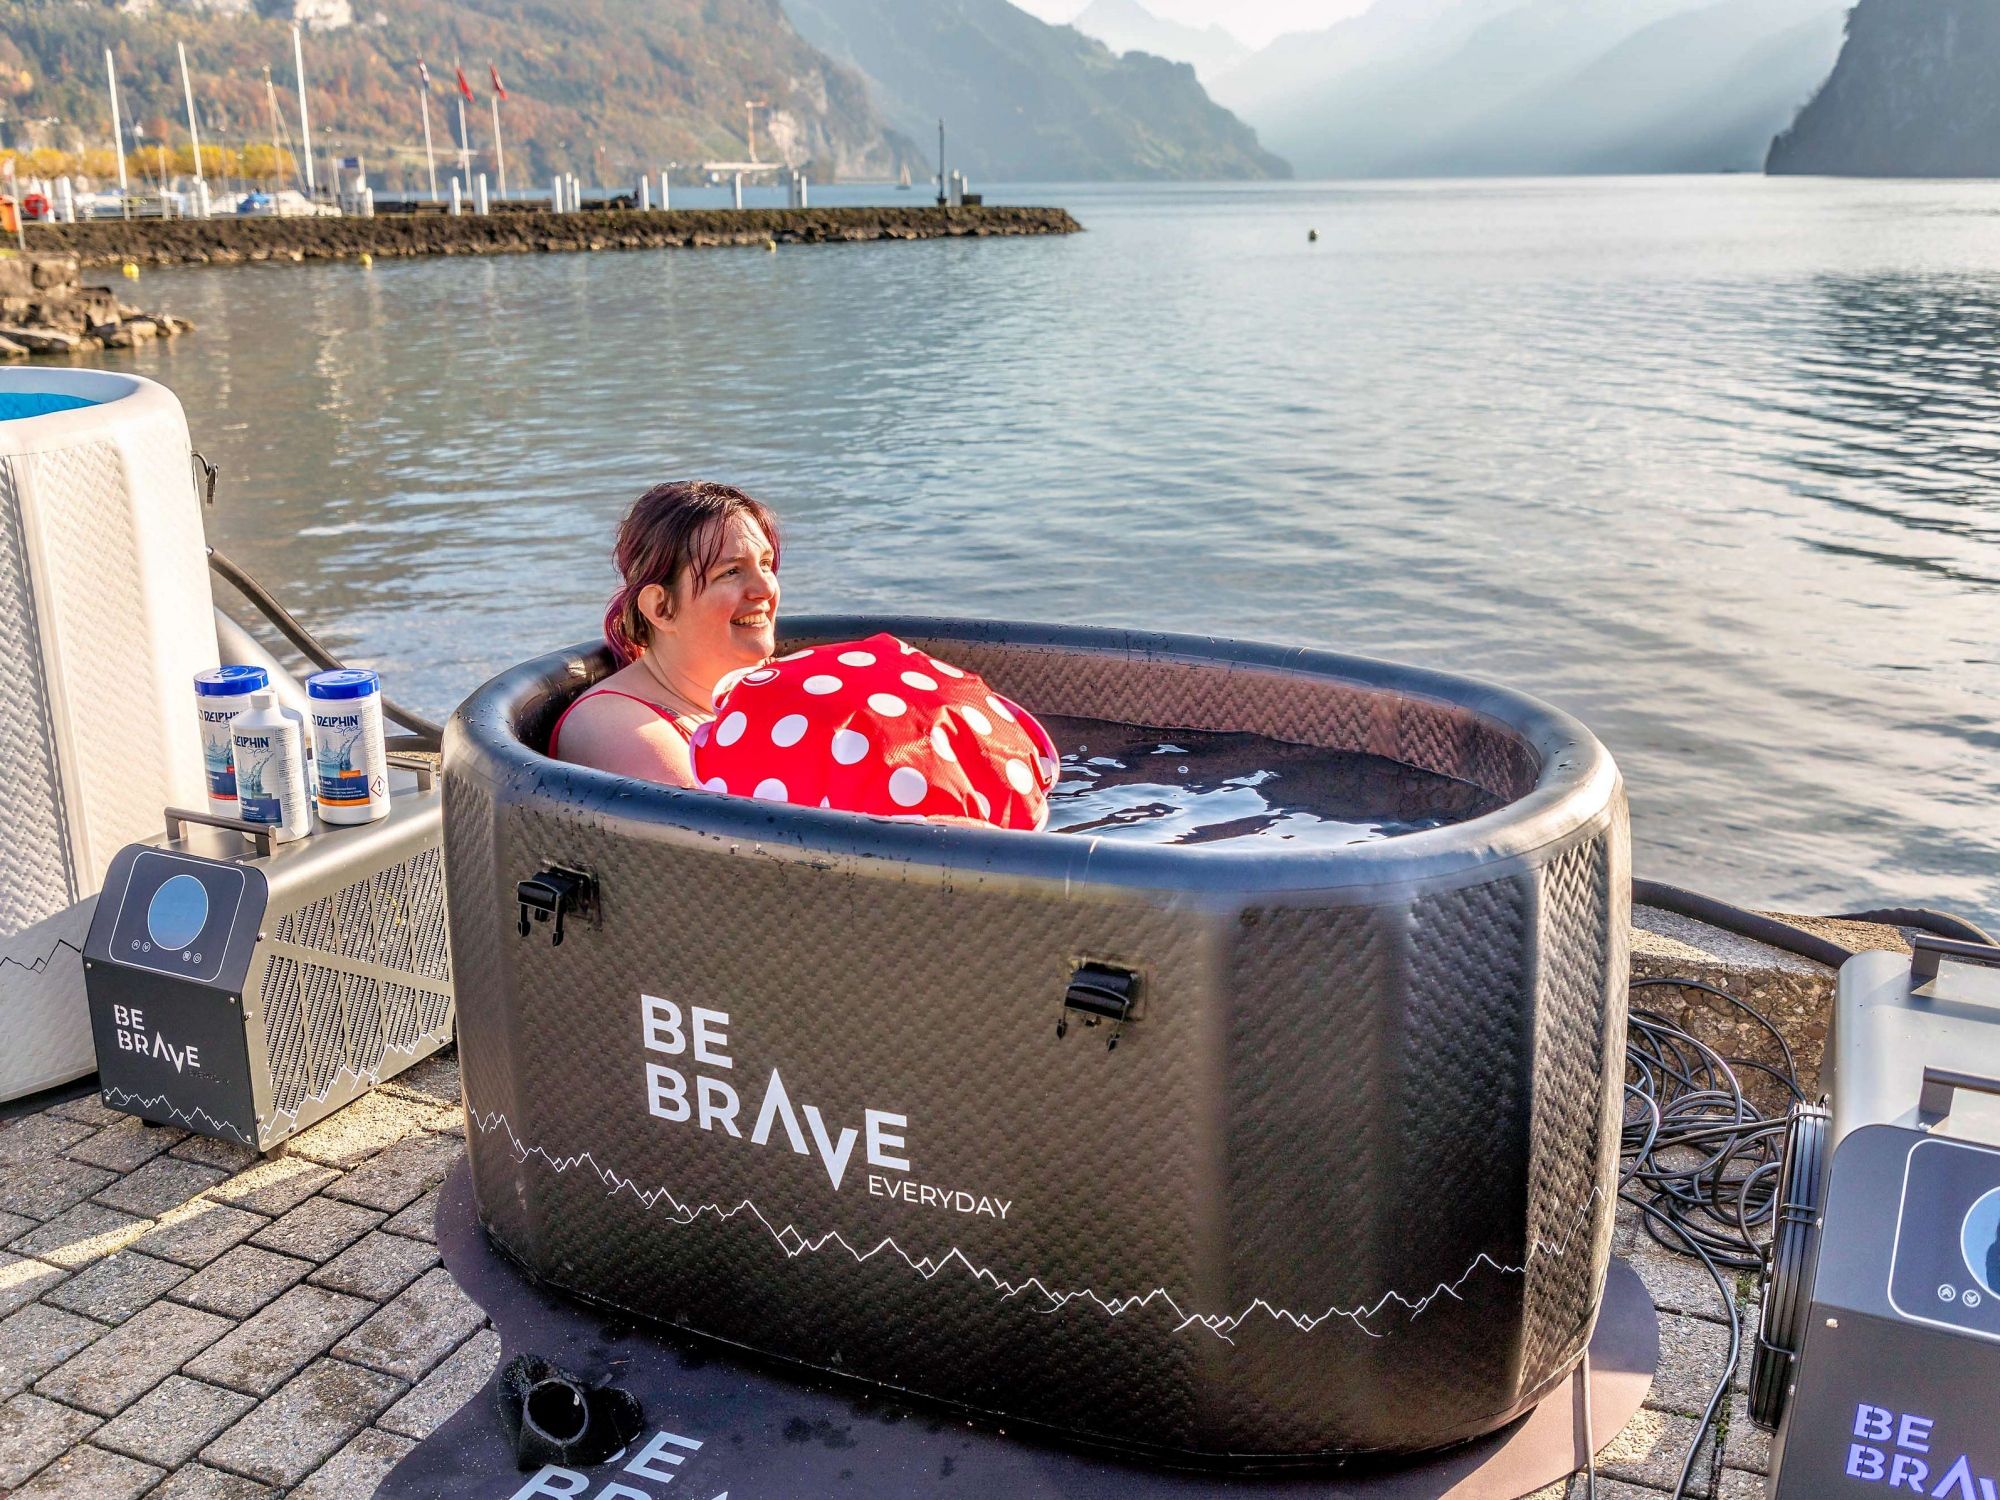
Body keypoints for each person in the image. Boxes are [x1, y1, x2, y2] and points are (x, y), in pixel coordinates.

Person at [551, 480, 780, 787]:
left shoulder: (772, 683)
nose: (765, 588)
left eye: (765, 564)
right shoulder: (615, 726)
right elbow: (706, 819)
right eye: (731, 572)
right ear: (661, 608)